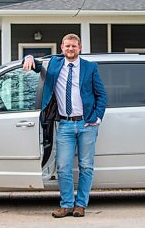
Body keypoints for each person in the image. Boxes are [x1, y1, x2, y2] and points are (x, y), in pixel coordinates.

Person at [22, 33, 106, 218]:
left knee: (86, 166)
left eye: (74, 46)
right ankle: (67, 204)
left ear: (80, 48)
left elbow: (101, 95)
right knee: (63, 166)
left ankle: (81, 205)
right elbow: (35, 64)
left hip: (86, 124)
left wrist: (97, 118)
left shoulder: (90, 67)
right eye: (67, 46)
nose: (70, 49)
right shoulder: (54, 63)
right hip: (65, 125)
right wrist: (28, 57)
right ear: (61, 48)